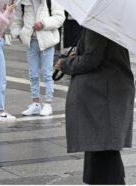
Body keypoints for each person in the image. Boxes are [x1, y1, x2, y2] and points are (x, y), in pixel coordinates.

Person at [54, 28, 135, 184]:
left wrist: (65, 63)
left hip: (102, 97)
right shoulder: (109, 23)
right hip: (108, 92)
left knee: (102, 149)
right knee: (101, 149)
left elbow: (91, 59)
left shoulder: (98, 27)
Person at [10, 0, 65, 116]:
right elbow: (16, 22)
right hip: (31, 42)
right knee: (33, 74)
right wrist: (18, 34)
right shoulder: (22, 2)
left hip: (47, 41)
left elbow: (59, 17)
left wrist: (44, 24)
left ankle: (48, 103)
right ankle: (35, 103)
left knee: (47, 73)